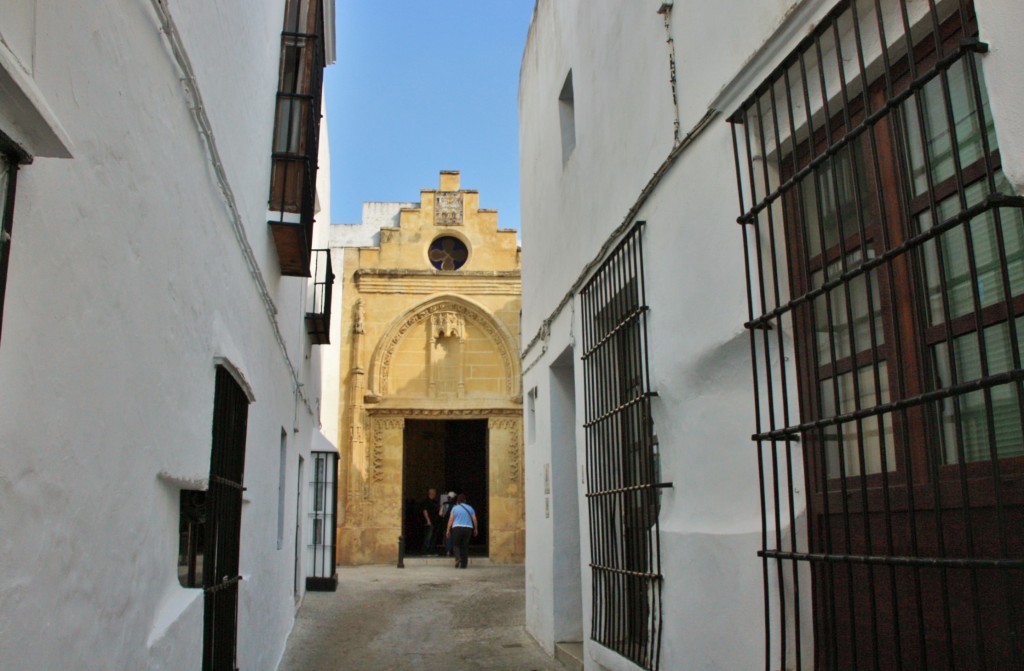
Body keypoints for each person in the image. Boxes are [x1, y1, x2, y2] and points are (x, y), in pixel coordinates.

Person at [445, 493, 478, 569]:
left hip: (457, 527)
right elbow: (474, 519)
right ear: (465, 500)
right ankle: (464, 564)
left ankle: (457, 558)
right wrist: (476, 528)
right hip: (468, 528)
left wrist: (448, 530)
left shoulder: (455, 508)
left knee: (456, 544)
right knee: (464, 546)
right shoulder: (470, 508)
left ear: (458, 501)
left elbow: (451, 519)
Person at [419, 488, 440, 555]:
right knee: (428, 537)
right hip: (429, 523)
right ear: (431, 493)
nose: (435, 494)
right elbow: (425, 511)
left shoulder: (435, 502)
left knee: (433, 538)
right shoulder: (426, 501)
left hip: (435, 522)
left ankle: (431, 551)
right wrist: (428, 521)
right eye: (434, 492)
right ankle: (425, 552)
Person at [439, 490, 456, 556]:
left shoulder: (444, 504)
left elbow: (440, 513)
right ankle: (453, 550)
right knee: (453, 537)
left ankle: (448, 551)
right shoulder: (455, 505)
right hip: (453, 523)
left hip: (445, 522)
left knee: (447, 536)